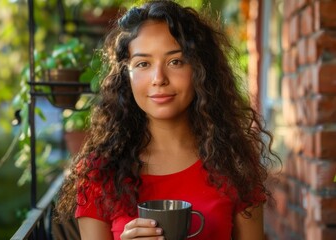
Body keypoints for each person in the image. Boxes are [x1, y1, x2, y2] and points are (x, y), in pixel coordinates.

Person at [55, 0, 279, 239]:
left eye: (175, 61)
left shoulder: (235, 163)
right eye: (143, 64)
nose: (158, 78)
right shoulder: (99, 172)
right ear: (125, 75)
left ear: (200, 69)